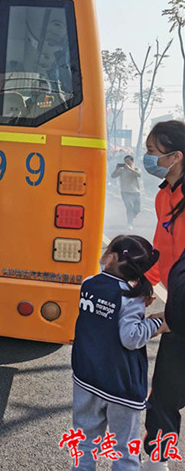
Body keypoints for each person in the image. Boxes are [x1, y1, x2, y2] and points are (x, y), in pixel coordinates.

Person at [71, 235, 167, 470]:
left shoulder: (89, 284)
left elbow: (106, 315)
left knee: (84, 442)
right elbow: (131, 338)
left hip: (86, 377)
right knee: (124, 450)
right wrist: (157, 323)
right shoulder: (130, 298)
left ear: (111, 258)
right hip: (121, 386)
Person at [141, 120, 185, 470]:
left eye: (153, 152)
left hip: (181, 311)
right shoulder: (163, 196)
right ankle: (157, 463)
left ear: (176, 156)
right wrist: (143, 286)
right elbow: (160, 248)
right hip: (178, 307)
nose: (148, 158)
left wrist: (173, 319)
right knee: (164, 396)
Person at [111, 154, 141, 229]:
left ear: (132, 161)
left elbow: (138, 174)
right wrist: (116, 169)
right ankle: (130, 223)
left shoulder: (136, 169)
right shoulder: (122, 170)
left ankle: (133, 215)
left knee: (137, 209)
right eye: (125, 162)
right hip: (125, 191)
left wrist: (129, 168)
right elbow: (113, 176)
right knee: (129, 207)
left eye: (128, 161)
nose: (126, 163)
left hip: (135, 191)